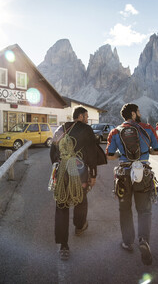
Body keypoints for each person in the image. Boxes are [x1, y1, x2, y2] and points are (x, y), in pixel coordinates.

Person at [106, 103, 158, 266]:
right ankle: (144, 240)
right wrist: (146, 152)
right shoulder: (147, 128)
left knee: (125, 209)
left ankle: (127, 242)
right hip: (143, 173)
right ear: (133, 113)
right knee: (144, 210)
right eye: (138, 111)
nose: (139, 113)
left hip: (123, 175)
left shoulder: (115, 131)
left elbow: (109, 155)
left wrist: (121, 155)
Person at [50, 106, 107, 260]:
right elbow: (92, 153)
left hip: (61, 172)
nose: (87, 119)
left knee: (61, 205)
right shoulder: (86, 129)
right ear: (81, 116)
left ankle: (63, 246)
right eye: (87, 116)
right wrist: (93, 174)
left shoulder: (60, 129)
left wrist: (59, 167)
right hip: (79, 172)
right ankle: (79, 226)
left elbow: (53, 152)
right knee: (80, 199)